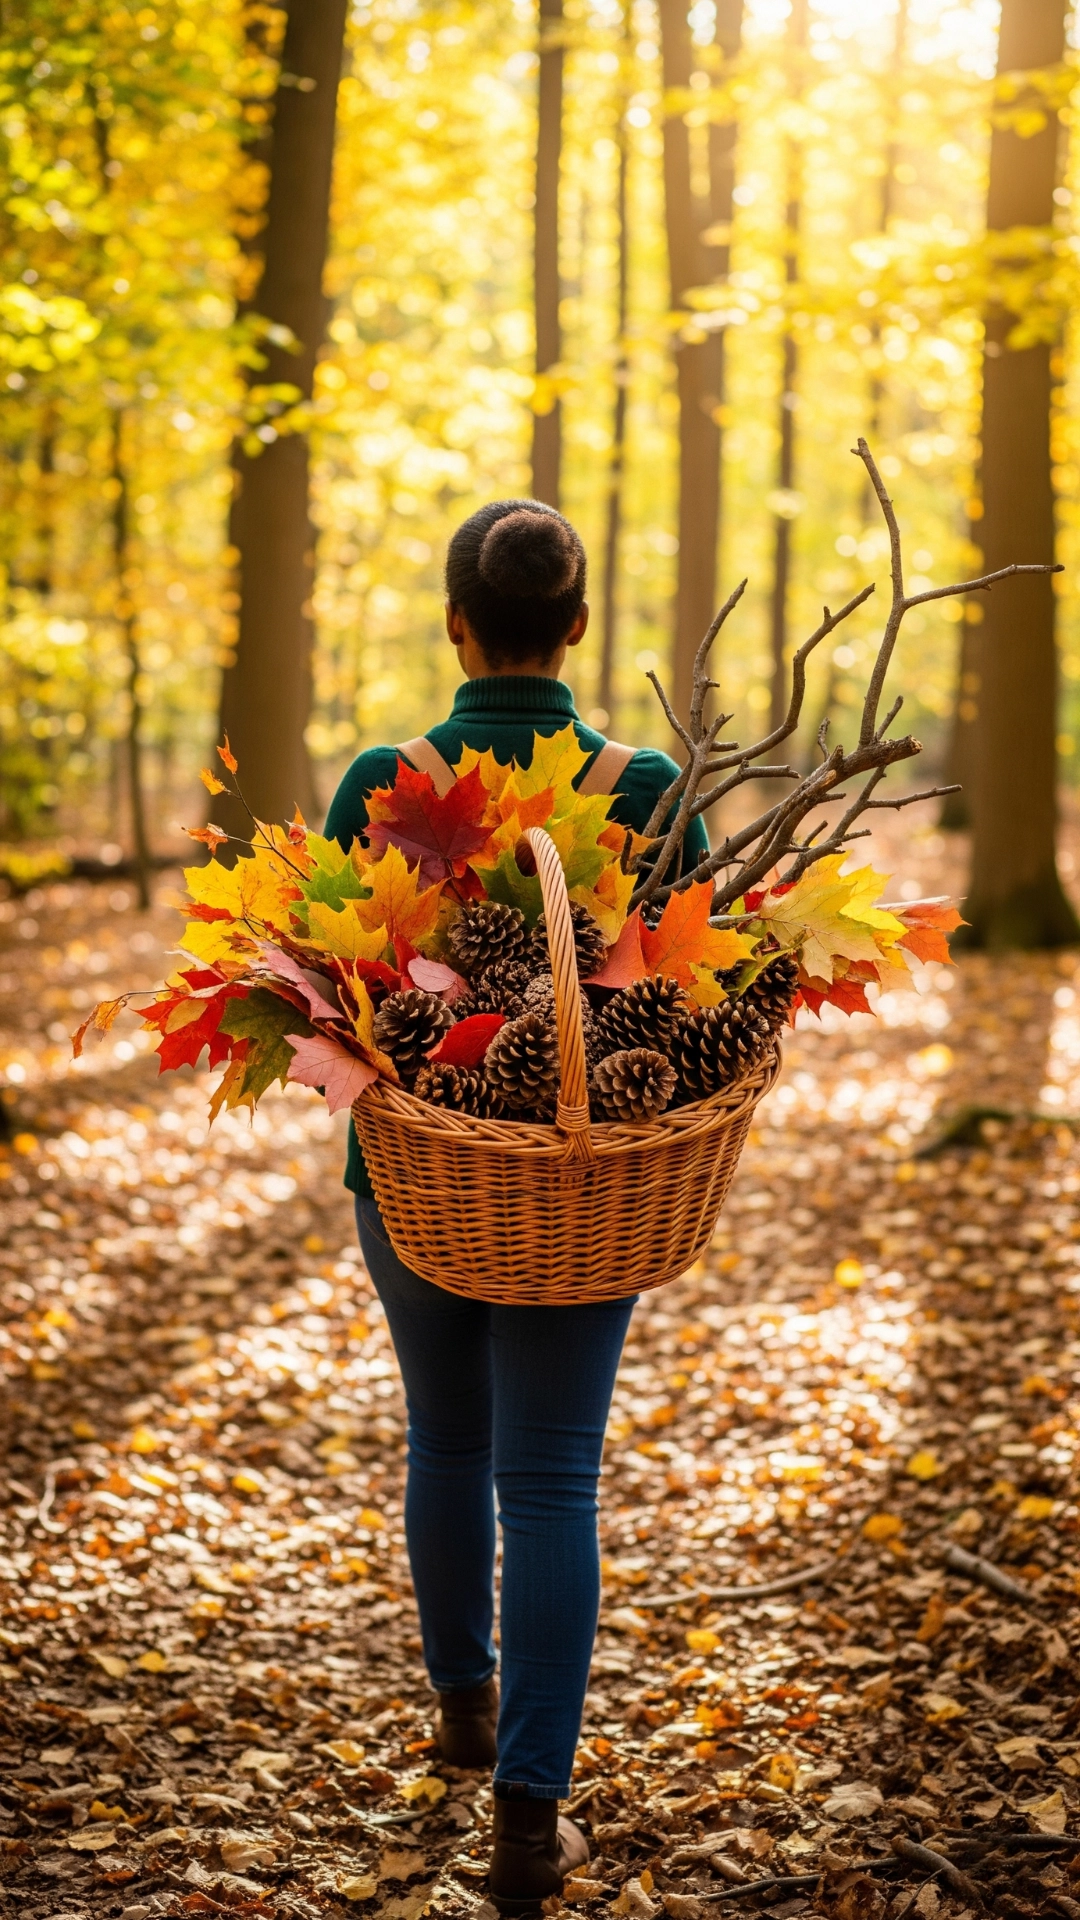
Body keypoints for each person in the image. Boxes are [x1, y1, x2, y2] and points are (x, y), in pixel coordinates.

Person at [325, 500, 709, 1914]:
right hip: (583, 1186)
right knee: (549, 1478)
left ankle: (465, 1711)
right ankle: (529, 1822)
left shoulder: (385, 780)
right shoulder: (648, 784)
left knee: (447, 1436)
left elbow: (322, 989)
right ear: (580, 625)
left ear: (455, 625)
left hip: (419, 1182)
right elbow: (709, 987)